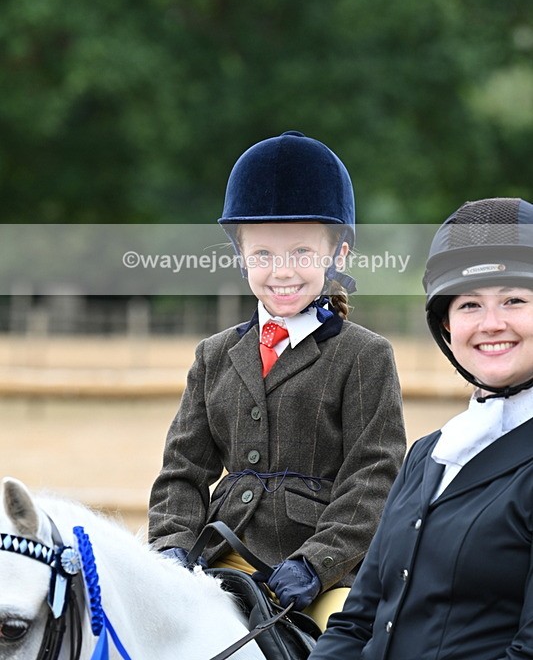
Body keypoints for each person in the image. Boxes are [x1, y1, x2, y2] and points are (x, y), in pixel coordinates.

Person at [148, 130, 406, 630]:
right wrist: (172, 548)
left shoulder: (365, 355)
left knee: (352, 637)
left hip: (322, 573)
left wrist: (317, 563)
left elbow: (374, 474)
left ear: (339, 255)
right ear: (240, 255)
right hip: (220, 555)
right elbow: (182, 471)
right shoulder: (214, 355)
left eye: (301, 253)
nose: (280, 271)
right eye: (263, 254)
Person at [308, 196, 533, 658]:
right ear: (447, 326)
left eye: (513, 300)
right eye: (469, 304)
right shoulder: (428, 454)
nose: (491, 324)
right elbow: (357, 619)